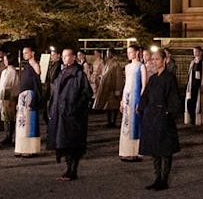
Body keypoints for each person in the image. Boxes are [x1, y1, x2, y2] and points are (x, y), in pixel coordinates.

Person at [138, 48, 180, 190]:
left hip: (163, 114)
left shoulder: (169, 77)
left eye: (157, 59)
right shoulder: (153, 78)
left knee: (165, 149)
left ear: (164, 60)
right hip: (152, 115)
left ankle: (164, 179)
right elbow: (146, 95)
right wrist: (141, 106)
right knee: (155, 148)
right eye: (153, 59)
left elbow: (174, 97)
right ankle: (157, 177)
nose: (155, 62)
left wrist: (169, 112)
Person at [48, 47, 92, 180]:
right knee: (64, 142)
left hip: (72, 115)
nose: (65, 58)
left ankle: (72, 170)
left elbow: (87, 94)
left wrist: (75, 108)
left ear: (73, 57)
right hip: (61, 114)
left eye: (67, 56)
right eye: (63, 56)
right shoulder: (62, 73)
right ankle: (68, 169)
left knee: (72, 142)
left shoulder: (79, 74)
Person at [119, 43, 147, 161]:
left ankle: (136, 151)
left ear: (136, 53)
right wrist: (122, 100)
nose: (129, 54)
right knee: (126, 124)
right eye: (128, 52)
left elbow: (144, 85)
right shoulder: (127, 67)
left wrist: (141, 101)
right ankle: (126, 150)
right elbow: (126, 84)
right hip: (127, 97)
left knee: (135, 124)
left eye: (131, 52)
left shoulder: (141, 66)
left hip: (136, 98)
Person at [15, 46, 43, 157]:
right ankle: (21, 147)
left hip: (30, 95)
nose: (24, 54)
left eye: (26, 52)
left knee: (29, 123)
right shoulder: (25, 67)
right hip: (22, 96)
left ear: (32, 53)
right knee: (21, 123)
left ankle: (30, 149)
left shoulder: (35, 65)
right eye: (23, 53)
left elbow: (37, 81)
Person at [96, 49, 124, 128]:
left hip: (113, 88)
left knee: (114, 106)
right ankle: (109, 121)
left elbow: (119, 77)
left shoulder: (115, 64)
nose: (107, 55)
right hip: (107, 88)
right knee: (108, 106)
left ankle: (113, 122)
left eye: (109, 53)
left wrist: (118, 89)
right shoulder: (108, 63)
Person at [0, 51, 19, 147]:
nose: (4, 61)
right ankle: (7, 135)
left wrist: (4, 99)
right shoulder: (6, 71)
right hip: (3, 97)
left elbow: (9, 87)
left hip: (8, 98)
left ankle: (9, 136)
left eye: (5, 59)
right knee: (6, 118)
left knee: (9, 118)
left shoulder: (12, 72)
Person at [184, 46, 203, 126]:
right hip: (191, 85)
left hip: (198, 85)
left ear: (200, 52)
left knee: (198, 104)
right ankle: (191, 118)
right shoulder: (192, 62)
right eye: (194, 52)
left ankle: (197, 120)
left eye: (196, 51)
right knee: (190, 102)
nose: (195, 53)